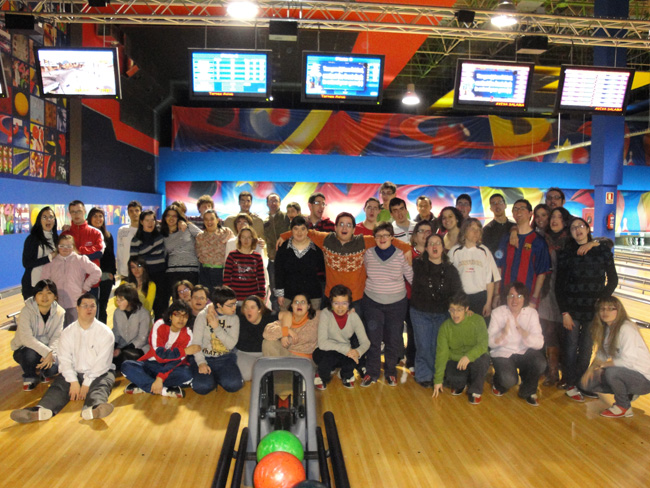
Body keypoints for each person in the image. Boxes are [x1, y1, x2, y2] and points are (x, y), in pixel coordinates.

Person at [277, 212, 412, 314]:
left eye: (348, 225)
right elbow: (305, 231)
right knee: (331, 337)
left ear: (354, 229)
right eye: (341, 224)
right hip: (331, 298)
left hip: (356, 299)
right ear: (335, 227)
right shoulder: (326, 239)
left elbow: (386, 238)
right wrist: (284, 236)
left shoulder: (362, 241)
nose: (344, 227)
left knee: (356, 338)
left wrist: (406, 248)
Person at [10, 293, 115, 423]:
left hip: (99, 373)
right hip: (74, 372)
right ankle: (41, 410)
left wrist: (87, 383)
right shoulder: (68, 332)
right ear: (77, 308)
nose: (89, 309)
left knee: (100, 387)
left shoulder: (105, 333)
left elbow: (102, 364)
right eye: (85, 306)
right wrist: (73, 382)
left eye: (92, 306)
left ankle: (95, 408)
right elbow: (64, 360)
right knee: (58, 387)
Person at [556, 217, 618, 402]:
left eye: (581, 226)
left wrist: (602, 300)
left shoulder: (602, 251)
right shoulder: (567, 254)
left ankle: (581, 384)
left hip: (593, 311)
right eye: (574, 228)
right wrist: (564, 312)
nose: (578, 230)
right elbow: (559, 286)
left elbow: (613, 280)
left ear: (587, 228)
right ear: (571, 233)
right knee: (569, 347)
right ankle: (571, 383)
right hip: (572, 309)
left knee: (586, 348)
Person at [361, 222, 413, 387]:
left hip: (396, 304)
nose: (382, 238)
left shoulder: (401, 255)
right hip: (372, 302)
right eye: (378, 236)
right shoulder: (367, 254)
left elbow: (411, 277)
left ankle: (391, 372)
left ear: (392, 237)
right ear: (374, 238)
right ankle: (372, 372)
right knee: (373, 340)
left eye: (386, 235)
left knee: (393, 339)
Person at [582, 297, 650, 418]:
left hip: (644, 378)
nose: (605, 312)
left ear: (619, 311)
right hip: (628, 374)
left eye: (610, 309)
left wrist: (604, 365)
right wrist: (590, 370)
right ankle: (629, 393)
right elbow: (602, 354)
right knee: (587, 384)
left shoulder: (626, 329)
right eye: (602, 309)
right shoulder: (608, 329)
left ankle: (623, 406)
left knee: (611, 373)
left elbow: (628, 360)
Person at [410, 234, 462, 388]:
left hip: (442, 314)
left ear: (442, 248)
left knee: (439, 346)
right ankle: (424, 375)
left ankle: (438, 374)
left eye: (437, 243)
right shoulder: (417, 265)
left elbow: (457, 292)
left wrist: (461, 310)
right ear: (426, 248)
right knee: (424, 346)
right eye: (431, 243)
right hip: (420, 312)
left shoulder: (450, 269)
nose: (434, 246)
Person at [121, 300, 199, 398]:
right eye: (177, 315)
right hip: (152, 364)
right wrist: (184, 351)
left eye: (185, 316)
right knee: (126, 366)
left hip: (171, 368)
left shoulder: (188, 334)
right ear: (170, 316)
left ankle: (144, 384)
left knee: (187, 375)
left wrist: (160, 378)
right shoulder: (160, 325)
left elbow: (176, 362)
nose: (181, 319)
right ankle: (163, 390)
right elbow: (159, 356)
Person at [489, 282, 547, 406]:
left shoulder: (532, 313)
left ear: (524, 298)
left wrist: (525, 334)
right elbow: (489, 343)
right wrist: (502, 334)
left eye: (519, 296)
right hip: (503, 352)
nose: (515, 300)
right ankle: (498, 381)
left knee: (540, 362)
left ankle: (528, 390)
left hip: (523, 351)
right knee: (509, 380)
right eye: (511, 296)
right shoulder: (497, 313)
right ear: (506, 298)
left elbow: (540, 343)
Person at [432, 292, 489, 405]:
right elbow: (442, 354)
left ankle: (475, 391)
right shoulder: (445, 327)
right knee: (454, 380)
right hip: (456, 359)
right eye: (452, 310)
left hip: (475, 358)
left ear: (467, 309)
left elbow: (483, 344)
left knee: (483, 361)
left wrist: (468, 356)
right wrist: (437, 380)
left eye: (459, 310)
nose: (455, 314)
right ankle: (463, 382)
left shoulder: (477, 320)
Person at [538, 206, 573, 386]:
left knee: (563, 335)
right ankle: (552, 372)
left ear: (565, 221)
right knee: (549, 332)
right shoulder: (543, 239)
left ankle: (567, 375)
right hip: (546, 291)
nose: (554, 220)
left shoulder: (571, 241)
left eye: (559, 217)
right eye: (553, 216)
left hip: (565, 294)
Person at [495, 199, 550, 308]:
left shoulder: (538, 241)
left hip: (527, 300)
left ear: (530, 214)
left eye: (522, 208)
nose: (518, 211)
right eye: (515, 209)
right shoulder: (505, 238)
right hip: (505, 297)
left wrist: (534, 299)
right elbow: (498, 268)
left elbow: (541, 274)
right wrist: (496, 294)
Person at [189, 285, 244, 395]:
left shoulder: (234, 318)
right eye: (230, 305)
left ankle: (217, 377)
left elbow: (231, 344)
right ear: (219, 305)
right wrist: (201, 363)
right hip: (205, 357)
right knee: (202, 388)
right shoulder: (202, 316)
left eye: (235, 303)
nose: (234, 307)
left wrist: (216, 327)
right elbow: (196, 343)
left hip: (225, 358)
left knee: (234, 385)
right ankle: (211, 378)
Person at [313, 285, 370, 390]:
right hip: (325, 351)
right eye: (336, 303)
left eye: (344, 303)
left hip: (345, 352)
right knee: (328, 359)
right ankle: (322, 374)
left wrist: (357, 352)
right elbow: (322, 343)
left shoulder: (353, 316)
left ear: (349, 303)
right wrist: (347, 350)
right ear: (331, 303)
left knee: (352, 360)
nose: (340, 307)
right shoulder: (326, 313)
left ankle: (344, 374)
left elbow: (366, 342)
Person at [11, 279, 64, 390]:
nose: (44, 297)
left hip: (47, 350)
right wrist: (47, 352)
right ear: (35, 296)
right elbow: (26, 338)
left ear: (55, 296)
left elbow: (56, 337)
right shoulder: (26, 311)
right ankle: (30, 376)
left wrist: (51, 354)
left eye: (49, 293)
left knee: (52, 369)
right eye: (40, 293)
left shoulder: (60, 312)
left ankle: (44, 373)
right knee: (30, 355)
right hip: (26, 348)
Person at [41, 235, 102, 327]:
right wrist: (51, 295)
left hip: (75, 303)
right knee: (59, 331)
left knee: (76, 330)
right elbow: (44, 281)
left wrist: (86, 287)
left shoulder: (80, 260)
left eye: (69, 246)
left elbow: (97, 272)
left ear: (73, 247)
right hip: (57, 304)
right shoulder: (51, 263)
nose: (65, 249)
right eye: (62, 246)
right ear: (57, 247)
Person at [449, 218, 500, 316]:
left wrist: (488, 303)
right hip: (460, 298)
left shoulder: (484, 251)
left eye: (478, 230)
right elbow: (449, 278)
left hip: (480, 298)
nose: (476, 232)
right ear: (464, 231)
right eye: (472, 229)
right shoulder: (455, 251)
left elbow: (490, 280)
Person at [274, 216, 325, 311]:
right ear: (291, 230)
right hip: (288, 296)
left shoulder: (316, 249)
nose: (299, 232)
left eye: (303, 229)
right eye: (296, 229)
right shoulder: (283, 249)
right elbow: (278, 273)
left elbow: (323, 272)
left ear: (307, 231)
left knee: (311, 324)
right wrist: (280, 295)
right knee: (287, 324)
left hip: (312, 296)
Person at [130, 210, 167, 320]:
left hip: (161, 276)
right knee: (144, 307)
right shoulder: (136, 240)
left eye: (152, 220)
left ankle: (159, 333)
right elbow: (133, 261)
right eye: (147, 220)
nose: (150, 223)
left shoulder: (161, 235)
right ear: (141, 222)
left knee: (161, 307)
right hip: (145, 277)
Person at [262, 293, 320, 359]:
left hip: (306, 359)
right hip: (287, 356)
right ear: (292, 305)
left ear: (308, 306)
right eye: (296, 302)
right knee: (267, 343)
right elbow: (267, 332)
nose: (299, 305)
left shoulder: (316, 317)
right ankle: (275, 368)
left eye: (303, 302)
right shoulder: (287, 318)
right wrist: (287, 331)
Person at [236, 295, 279, 381]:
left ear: (259, 309)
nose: (249, 310)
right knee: (246, 376)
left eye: (252, 307)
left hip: (265, 354)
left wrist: (288, 331)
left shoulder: (269, 317)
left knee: (268, 376)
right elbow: (222, 306)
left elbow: (286, 315)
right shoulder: (239, 315)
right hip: (244, 353)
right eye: (246, 307)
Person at [61, 200, 104, 282]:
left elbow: (98, 253)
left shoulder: (96, 233)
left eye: (79, 211)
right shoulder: (65, 234)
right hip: (70, 282)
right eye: (73, 212)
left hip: (91, 282)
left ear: (85, 212)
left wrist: (79, 251)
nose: (76, 214)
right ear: (70, 213)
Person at [22, 206, 59, 299]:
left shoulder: (57, 239)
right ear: (39, 220)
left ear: (54, 220)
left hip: (51, 286)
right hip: (33, 286)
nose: (48, 220)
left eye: (51, 217)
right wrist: (49, 257)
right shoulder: (32, 239)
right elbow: (26, 263)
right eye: (44, 217)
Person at [161, 204, 201, 289]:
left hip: (191, 270)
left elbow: (204, 236)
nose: (171, 218)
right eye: (168, 215)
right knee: (177, 300)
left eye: (174, 216)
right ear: (164, 217)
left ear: (179, 217)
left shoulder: (188, 227)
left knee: (190, 299)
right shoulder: (162, 233)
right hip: (172, 272)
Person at [87, 207, 116, 324]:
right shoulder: (86, 235)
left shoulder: (108, 236)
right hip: (90, 277)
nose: (98, 219)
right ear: (89, 218)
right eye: (95, 216)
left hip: (105, 277)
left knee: (102, 306)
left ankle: (102, 332)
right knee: (91, 306)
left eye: (100, 216)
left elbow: (110, 257)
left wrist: (112, 274)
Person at [112, 283, 150, 371]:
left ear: (130, 300)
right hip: (122, 346)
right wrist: (113, 347)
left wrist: (121, 350)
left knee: (125, 356)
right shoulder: (117, 313)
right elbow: (116, 332)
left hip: (139, 348)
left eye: (121, 300)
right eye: (117, 299)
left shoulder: (143, 314)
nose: (118, 302)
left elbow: (142, 339)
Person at [223, 227, 266, 302]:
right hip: (235, 298)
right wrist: (228, 295)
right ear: (239, 239)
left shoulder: (257, 257)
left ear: (253, 239)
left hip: (252, 298)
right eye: (243, 237)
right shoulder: (232, 255)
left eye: (249, 237)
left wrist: (262, 296)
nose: (246, 240)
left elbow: (261, 279)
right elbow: (226, 278)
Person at [264, 192, 290, 311]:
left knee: (288, 288)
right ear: (267, 203)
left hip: (286, 260)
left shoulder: (286, 217)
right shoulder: (264, 221)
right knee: (274, 290)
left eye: (276, 201)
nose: (273, 203)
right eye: (271, 201)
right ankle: (275, 315)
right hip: (272, 260)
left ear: (280, 203)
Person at [196, 209, 234, 290]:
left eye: (212, 219)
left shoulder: (226, 232)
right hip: (205, 273)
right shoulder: (200, 236)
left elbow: (236, 245)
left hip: (222, 272)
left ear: (217, 220)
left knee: (221, 299)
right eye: (206, 219)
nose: (209, 222)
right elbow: (198, 254)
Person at [116, 200, 141, 278]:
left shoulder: (146, 230)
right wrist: (120, 271)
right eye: (131, 211)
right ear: (128, 213)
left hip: (142, 271)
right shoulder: (122, 230)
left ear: (141, 212)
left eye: (137, 210)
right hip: (126, 271)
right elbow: (120, 251)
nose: (134, 213)